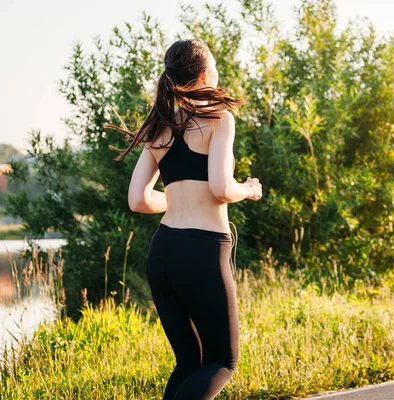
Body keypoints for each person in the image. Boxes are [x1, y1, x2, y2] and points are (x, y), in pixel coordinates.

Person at [104, 38, 262, 399]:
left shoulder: (159, 128)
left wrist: (176, 198)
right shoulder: (219, 118)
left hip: (163, 252)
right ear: (206, 74)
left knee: (190, 362)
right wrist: (249, 189)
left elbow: (138, 200)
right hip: (202, 251)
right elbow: (222, 189)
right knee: (222, 362)